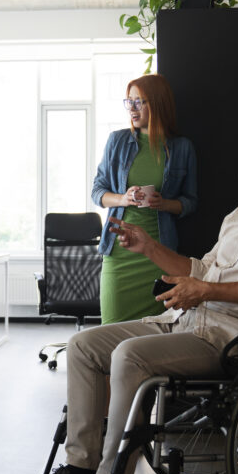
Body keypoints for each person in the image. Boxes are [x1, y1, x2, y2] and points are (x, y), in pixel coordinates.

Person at [8, 125, 238, 474]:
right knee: (83, 345)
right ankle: (79, 470)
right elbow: (200, 270)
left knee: (129, 356)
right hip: (186, 320)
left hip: (231, 337)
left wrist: (206, 290)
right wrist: (149, 247)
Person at [93, 73, 197, 324]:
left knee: (155, 332)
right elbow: (98, 192)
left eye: (139, 102)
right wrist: (124, 199)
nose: (132, 108)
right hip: (120, 252)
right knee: (111, 328)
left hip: (159, 253)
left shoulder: (182, 148)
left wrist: (165, 204)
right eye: (129, 102)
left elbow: (191, 201)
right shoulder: (117, 141)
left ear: (158, 103)